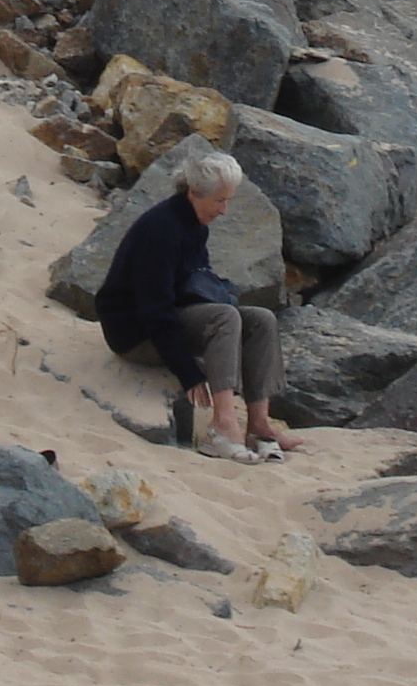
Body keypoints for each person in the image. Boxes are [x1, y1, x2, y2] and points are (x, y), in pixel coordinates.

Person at [93, 150, 308, 464]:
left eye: (228, 200)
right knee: (225, 318)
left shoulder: (194, 225)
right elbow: (155, 308)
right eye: (220, 201)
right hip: (135, 331)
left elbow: (193, 284)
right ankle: (223, 425)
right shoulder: (161, 229)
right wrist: (188, 372)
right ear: (194, 193)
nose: (224, 210)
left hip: (172, 313)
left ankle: (259, 425)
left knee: (261, 319)